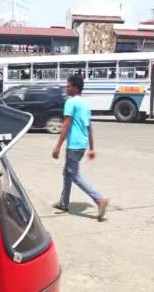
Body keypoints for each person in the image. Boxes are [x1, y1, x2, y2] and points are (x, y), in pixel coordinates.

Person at [52, 75, 109, 221]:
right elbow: (89, 127)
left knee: (74, 175)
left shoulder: (70, 102)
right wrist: (91, 148)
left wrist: (57, 146)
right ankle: (64, 202)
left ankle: (99, 200)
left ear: (75, 87)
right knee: (67, 172)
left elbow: (66, 124)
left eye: (68, 86)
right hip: (82, 145)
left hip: (74, 144)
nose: (66, 88)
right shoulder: (85, 104)